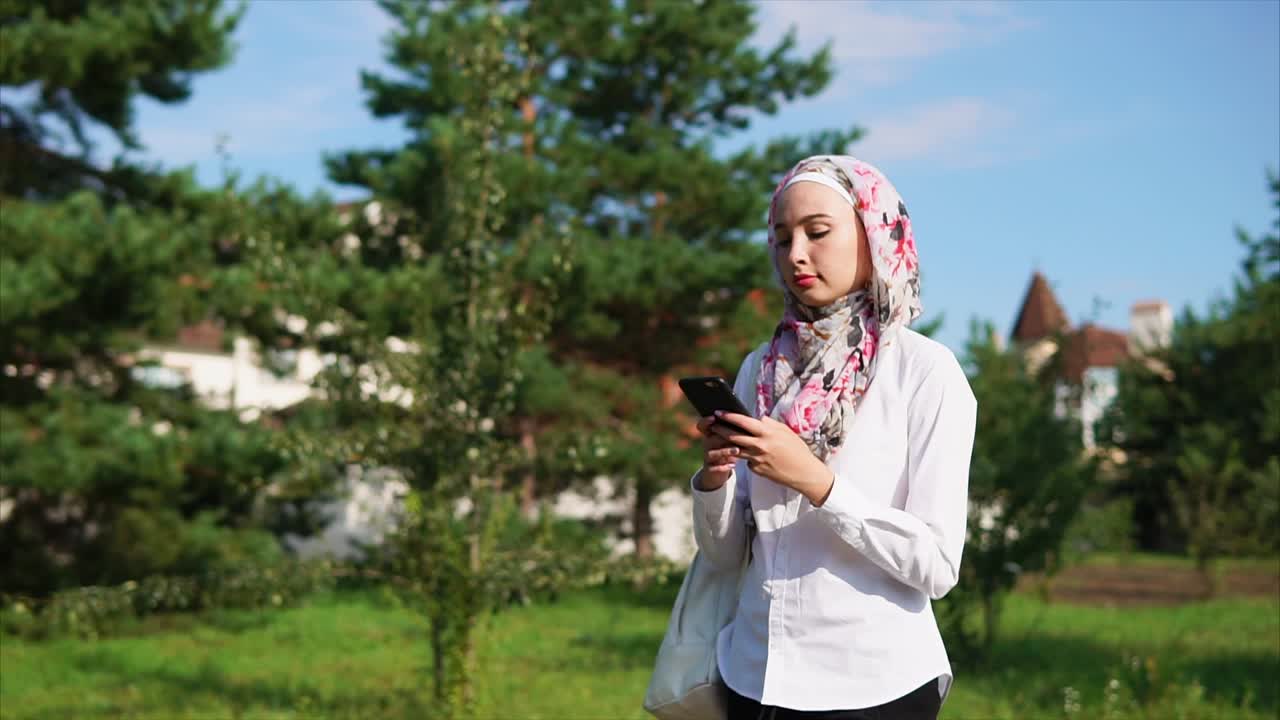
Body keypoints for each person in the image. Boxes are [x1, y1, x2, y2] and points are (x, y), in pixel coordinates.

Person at [690, 155, 977, 720]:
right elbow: (726, 557)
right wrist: (715, 479)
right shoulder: (761, 367)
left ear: (874, 235)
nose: (795, 254)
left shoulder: (924, 371)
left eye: (817, 232)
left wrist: (819, 484)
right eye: (780, 238)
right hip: (754, 676)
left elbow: (937, 566)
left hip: (870, 687)